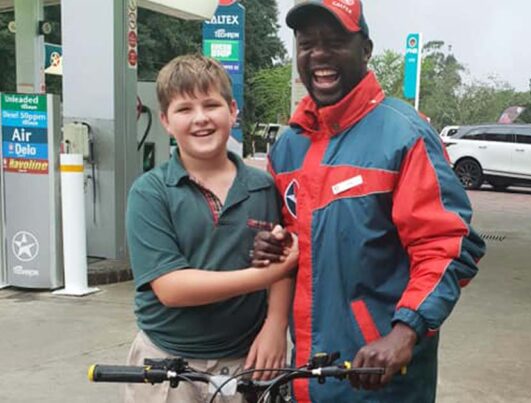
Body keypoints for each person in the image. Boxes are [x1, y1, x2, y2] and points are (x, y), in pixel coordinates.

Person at [252, 1, 486, 401]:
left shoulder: (404, 136)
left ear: (366, 49)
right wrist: (272, 246)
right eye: (307, 43)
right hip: (305, 377)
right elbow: (298, 244)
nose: (319, 54)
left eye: (335, 41)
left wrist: (405, 331)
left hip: (379, 380)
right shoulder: (289, 146)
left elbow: (448, 247)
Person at [123, 54, 297, 403]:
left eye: (211, 105)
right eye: (184, 109)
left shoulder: (263, 187)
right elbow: (172, 288)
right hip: (166, 364)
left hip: (247, 361)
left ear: (233, 111)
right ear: (165, 121)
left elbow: (282, 258)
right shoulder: (150, 192)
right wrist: (269, 274)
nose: (200, 118)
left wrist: (276, 325)